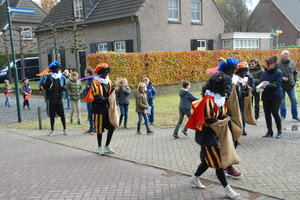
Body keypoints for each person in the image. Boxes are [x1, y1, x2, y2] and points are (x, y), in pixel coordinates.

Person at [186, 73, 240, 198]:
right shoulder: (208, 101)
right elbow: (208, 120)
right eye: (225, 87)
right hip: (207, 137)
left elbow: (222, 114)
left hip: (216, 135)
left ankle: (194, 178)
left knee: (207, 161)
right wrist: (222, 120)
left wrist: (225, 119)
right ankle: (227, 189)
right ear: (218, 87)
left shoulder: (220, 99)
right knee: (218, 163)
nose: (227, 89)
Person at [217, 57, 243, 179]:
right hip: (222, 116)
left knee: (235, 139)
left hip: (232, 114)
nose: (234, 71)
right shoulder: (219, 80)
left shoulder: (230, 79)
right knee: (229, 141)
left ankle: (225, 165)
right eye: (232, 69)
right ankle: (227, 166)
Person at [84, 63, 117, 156]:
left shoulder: (109, 82)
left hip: (108, 109)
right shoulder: (95, 83)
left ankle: (107, 145)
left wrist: (114, 93)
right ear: (100, 73)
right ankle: (99, 147)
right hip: (98, 109)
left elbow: (111, 93)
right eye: (104, 73)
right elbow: (97, 96)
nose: (106, 75)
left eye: (107, 73)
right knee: (99, 129)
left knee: (112, 127)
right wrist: (106, 100)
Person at [38, 61, 68, 136]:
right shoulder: (47, 77)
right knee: (52, 115)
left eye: (58, 68)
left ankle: (65, 129)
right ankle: (52, 129)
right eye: (55, 69)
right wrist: (47, 83)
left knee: (62, 114)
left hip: (59, 98)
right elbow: (43, 87)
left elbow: (65, 87)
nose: (57, 70)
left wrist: (64, 88)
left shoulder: (61, 77)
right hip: (51, 98)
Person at [260, 56, 284, 139]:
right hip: (266, 95)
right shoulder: (264, 72)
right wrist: (262, 83)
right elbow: (261, 80)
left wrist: (268, 84)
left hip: (276, 96)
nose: (266, 66)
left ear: (273, 64)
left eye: (267, 65)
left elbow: (277, 84)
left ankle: (279, 130)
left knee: (275, 112)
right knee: (267, 113)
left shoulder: (279, 72)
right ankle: (269, 130)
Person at [276, 50, 300, 121]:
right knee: (282, 101)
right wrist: (281, 78)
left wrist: (297, 80)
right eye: (286, 54)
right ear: (282, 56)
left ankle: (295, 115)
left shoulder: (292, 63)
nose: (288, 55)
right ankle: (283, 116)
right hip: (281, 86)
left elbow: (295, 73)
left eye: (288, 54)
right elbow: (275, 75)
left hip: (291, 85)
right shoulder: (277, 64)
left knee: (294, 100)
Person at [232, 62, 254, 136]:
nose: (244, 73)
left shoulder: (245, 79)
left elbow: (248, 86)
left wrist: (248, 90)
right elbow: (234, 90)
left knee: (242, 114)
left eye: (245, 71)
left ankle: (243, 128)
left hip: (242, 100)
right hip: (236, 100)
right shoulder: (235, 79)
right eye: (243, 72)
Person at [83, 67, 94, 134]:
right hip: (88, 100)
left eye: (85, 73)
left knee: (93, 114)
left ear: (89, 74)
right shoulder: (88, 80)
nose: (84, 74)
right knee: (90, 114)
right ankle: (91, 128)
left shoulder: (92, 81)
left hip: (92, 101)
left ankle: (95, 129)